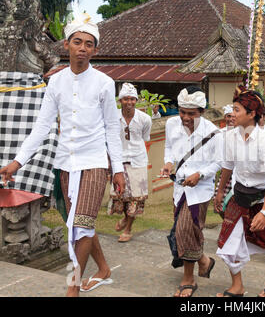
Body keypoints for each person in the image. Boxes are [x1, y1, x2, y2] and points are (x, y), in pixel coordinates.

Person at [0, 15, 125, 297]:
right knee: (79, 223)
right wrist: (18, 162)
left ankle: (73, 287)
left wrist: (117, 168)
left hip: (94, 163)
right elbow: (43, 126)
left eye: (89, 44)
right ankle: (102, 268)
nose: (82, 48)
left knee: (80, 225)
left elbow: (112, 127)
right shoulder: (55, 83)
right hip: (66, 164)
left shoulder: (105, 83)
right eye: (77, 42)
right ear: (66, 45)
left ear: (94, 50)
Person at [215, 85, 265, 298]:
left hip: (264, 196)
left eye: (237, 110)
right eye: (232, 110)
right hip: (239, 195)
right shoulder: (230, 136)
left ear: (252, 114)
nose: (232, 114)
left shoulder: (264, 140)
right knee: (229, 240)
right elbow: (227, 165)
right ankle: (237, 285)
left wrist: (264, 212)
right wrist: (219, 193)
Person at [161, 86, 220, 297]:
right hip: (179, 187)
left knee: (185, 229)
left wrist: (200, 174)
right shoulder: (171, 124)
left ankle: (189, 279)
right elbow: (169, 148)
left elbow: (218, 162)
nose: (185, 117)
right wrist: (168, 163)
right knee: (186, 230)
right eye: (182, 112)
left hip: (200, 190)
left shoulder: (213, 132)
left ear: (201, 112)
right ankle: (204, 261)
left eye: (191, 113)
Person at [108, 83, 152, 243]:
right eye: (126, 99)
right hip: (118, 161)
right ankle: (125, 219)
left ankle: (128, 229)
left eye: (132, 99)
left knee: (136, 197)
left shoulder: (145, 119)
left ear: (136, 100)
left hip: (138, 160)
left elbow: (145, 139)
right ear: (120, 101)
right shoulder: (113, 118)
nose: (129, 102)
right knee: (122, 196)